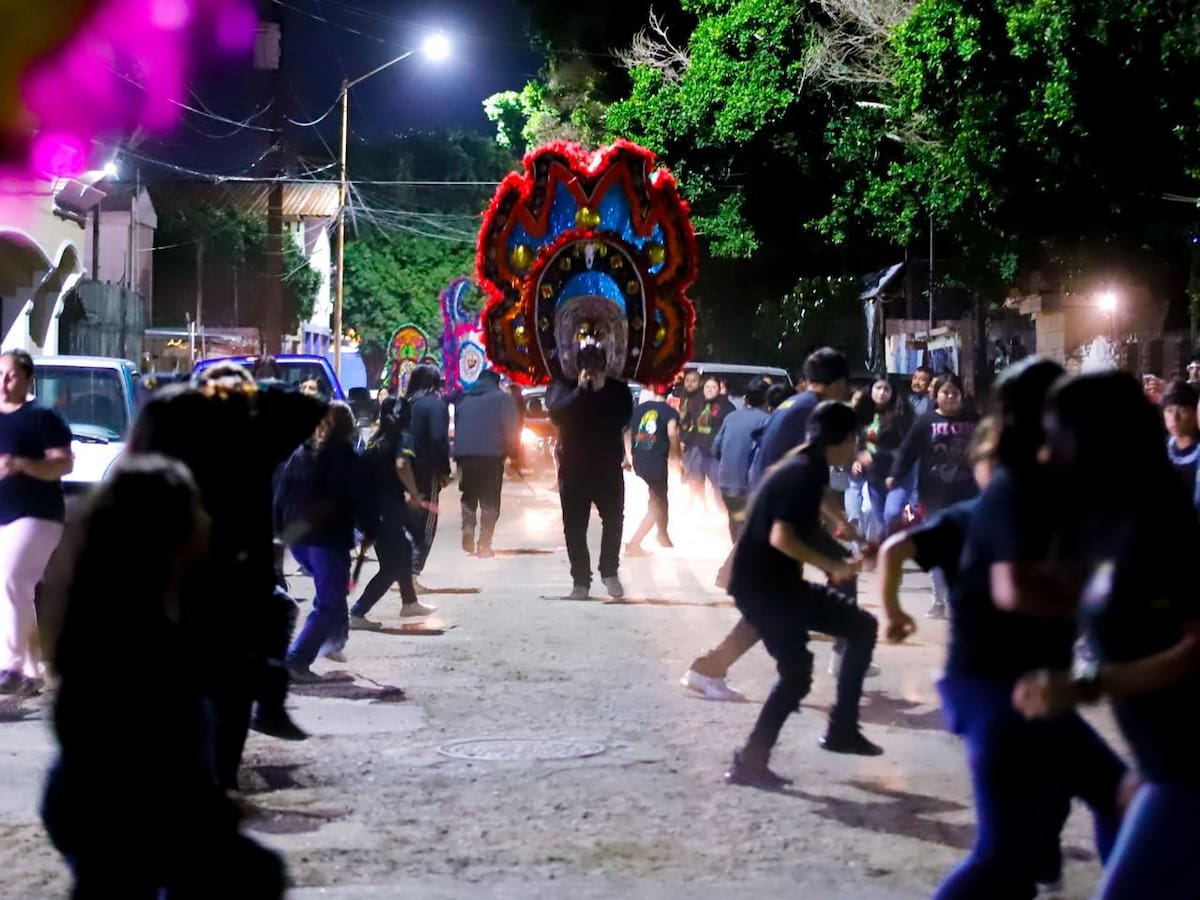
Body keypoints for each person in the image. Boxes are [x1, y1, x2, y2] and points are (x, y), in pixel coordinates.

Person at [917, 360, 1125, 898]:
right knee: (1005, 856)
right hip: (995, 687)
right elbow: (1015, 590)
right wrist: (1104, 605)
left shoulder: (1050, 484)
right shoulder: (1016, 487)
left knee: (1111, 794)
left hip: (1025, 686)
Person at [41, 456, 286, 899]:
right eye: (195, 507)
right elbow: (141, 752)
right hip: (117, 811)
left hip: (107, 806)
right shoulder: (128, 633)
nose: (206, 518)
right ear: (167, 530)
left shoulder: (142, 607)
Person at [1013, 371, 1200, 899]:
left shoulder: (1160, 520)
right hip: (1164, 765)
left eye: (1057, 438)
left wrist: (1090, 685)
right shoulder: (1101, 520)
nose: (1046, 454)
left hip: (1188, 770)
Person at [126, 363, 326, 789]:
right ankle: (256, 724)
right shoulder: (255, 439)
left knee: (212, 676)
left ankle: (208, 765)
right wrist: (256, 390)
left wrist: (197, 391)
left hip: (200, 573)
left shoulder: (181, 436)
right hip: (231, 573)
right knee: (234, 677)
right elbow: (309, 406)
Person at [723, 401, 881, 789]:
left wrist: (849, 542)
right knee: (796, 673)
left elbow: (811, 518)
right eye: (855, 440)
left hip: (778, 584)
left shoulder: (806, 463)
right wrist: (836, 567)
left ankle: (842, 729)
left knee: (860, 626)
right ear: (843, 440)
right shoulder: (802, 473)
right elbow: (783, 537)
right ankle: (749, 762)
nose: (856, 447)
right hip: (763, 588)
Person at [279, 402, 375, 680]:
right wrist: (370, 529)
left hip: (301, 540)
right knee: (330, 604)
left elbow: (282, 493)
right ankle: (297, 659)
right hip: (327, 539)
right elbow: (358, 499)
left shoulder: (302, 453)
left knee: (330, 596)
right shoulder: (343, 457)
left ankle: (332, 642)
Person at [0, 350, 73, 695]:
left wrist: (23, 465)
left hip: (37, 515)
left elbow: (63, 463)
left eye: (10, 375)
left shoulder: (42, 417)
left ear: (28, 378)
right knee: (19, 588)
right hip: (3, 515)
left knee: (12, 579)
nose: (2, 383)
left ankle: (10, 665)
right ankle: (31, 670)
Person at [889, 373, 979, 618]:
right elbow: (908, 450)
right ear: (936, 395)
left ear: (962, 395)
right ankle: (938, 600)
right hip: (934, 496)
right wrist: (896, 474)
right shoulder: (925, 422)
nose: (950, 397)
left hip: (968, 494)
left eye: (954, 393)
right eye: (945, 393)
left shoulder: (974, 420)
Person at [547, 351, 634, 600]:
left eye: (597, 365)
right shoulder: (563, 385)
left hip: (607, 467)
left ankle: (609, 571)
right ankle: (581, 582)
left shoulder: (617, 388)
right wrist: (580, 391)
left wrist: (601, 390)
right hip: (574, 469)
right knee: (574, 527)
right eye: (586, 365)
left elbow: (623, 418)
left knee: (614, 521)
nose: (591, 370)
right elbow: (556, 413)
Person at [349, 398, 432, 627]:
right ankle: (358, 612)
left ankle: (409, 602)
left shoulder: (375, 439)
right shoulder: (402, 436)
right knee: (392, 564)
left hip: (370, 509)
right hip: (385, 509)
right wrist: (415, 494)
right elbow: (402, 464)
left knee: (402, 551)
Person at [750, 348, 851, 487]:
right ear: (837, 384)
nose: (844, 392)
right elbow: (810, 473)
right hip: (778, 495)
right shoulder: (813, 410)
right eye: (845, 386)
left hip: (763, 488)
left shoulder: (795, 403)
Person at [453, 369, 520, 558]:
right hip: (491, 456)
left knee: (469, 494)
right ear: (496, 382)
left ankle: (468, 525)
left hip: (465, 456)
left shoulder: (465, 400)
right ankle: (484, 544)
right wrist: (514, 456)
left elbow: (458, 428)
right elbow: (510, 429)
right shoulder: (503, 399)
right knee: (490, 499)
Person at [405, 365, 451, 583]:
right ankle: (412, 573)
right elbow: (438, 440)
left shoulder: (403, 404)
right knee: (426, 520)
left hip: (400, 469)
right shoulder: (435, 405)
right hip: (425, 469)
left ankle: (400, 570)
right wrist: (444, 470)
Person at [851, 378, 911, 541]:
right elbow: (860, 442)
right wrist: (857, 459)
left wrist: (876, 456)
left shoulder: (901, 415)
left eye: (886, 389)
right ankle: (888, 555)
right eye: (878, 388)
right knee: (879, 517)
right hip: (874, 476)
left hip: (897, 476)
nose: (882, 393)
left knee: (891, 514)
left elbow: (906, 449)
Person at [625, 384, 681, 556]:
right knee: (657, 502)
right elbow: (672, 433)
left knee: (659, 498)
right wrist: (676, 455)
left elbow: (627, 432)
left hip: (639, 459)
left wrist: (628, 456)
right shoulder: (670, 412)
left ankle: (662, 535)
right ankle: (634, 543)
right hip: (656, 460)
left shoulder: (639, 409)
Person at [713, 377, 771, 542]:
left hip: (725, 482)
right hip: (748, 486)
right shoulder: (767, 420)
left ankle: (736, 559)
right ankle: (739, 563)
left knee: (736, 523)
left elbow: (716, 449)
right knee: (748, 530)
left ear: (746, 398)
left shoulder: (731, 417)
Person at [682, 375, 736, 508]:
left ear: (719, 389)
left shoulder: (726, 406)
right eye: (707, 387)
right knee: (694, 480)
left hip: (714, 452)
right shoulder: (697, 402)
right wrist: (684, 441)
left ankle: (723, 511)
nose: (710, 390)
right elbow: (690, 423)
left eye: (713, 387)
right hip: (697, 447)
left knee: (717, 484)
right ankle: (701, 508)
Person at [1162, 379, 1199, 503]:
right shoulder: (1160, 450)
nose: (1174, 418)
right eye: (1169, 410)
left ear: (1196, 414)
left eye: (1182, 410)